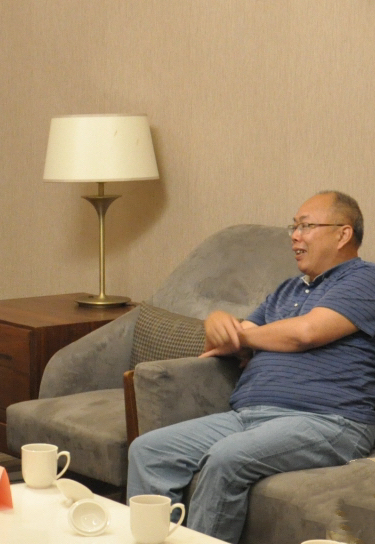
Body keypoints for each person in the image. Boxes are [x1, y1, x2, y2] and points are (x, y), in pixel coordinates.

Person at [127, 191, 375, 543]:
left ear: (343, 234)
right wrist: (217, 322)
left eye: (306, 226)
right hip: (249, 415)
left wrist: (244, 335)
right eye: (294, 227)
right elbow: (227, 342)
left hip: (329, 420)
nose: (295, 236)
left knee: (226, 458)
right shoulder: (286, 291)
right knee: (149, 451)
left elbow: (306, 333)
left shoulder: (364, 280)